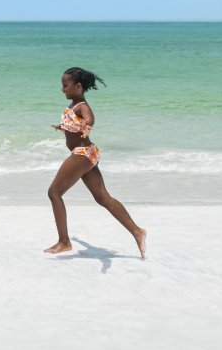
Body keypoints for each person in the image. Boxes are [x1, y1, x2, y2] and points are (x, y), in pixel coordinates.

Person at [45, 67, 147, 258]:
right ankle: (137, 231)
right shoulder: (73, 105)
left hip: (82, 154)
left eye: (65, 86)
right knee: (102, 198)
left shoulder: (82, 105)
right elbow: (74, 123)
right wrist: (63, 127)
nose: (62, 89)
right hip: (89, 153)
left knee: (54, 193)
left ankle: (64, 242)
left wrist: (87, 125)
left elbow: (89, 118)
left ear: (78, 86)